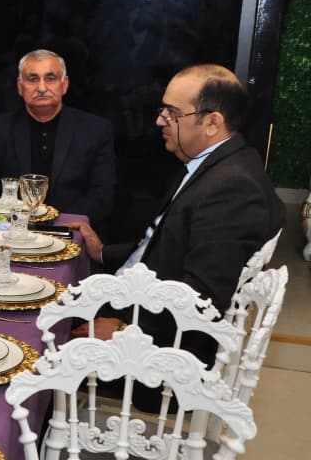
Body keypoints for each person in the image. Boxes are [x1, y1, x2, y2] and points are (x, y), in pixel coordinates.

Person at [67, 65, 285, 393]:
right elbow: (161, 244)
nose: (160, 121)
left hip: (156, 352)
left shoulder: (234, 188)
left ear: (212, 122)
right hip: (140, 302)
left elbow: (202, 298)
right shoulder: (216, 165)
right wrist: (101, 252)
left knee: (23, 332)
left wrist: (125, 330)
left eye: (172, 113)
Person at [0, 49, 115, 227]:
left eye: (50, 78)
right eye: (33, 79)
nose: (41, 88)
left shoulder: (94, 130)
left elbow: (101, 196)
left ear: (64, 84)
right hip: (10, 230)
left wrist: (58, 223)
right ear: (20, 87)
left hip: (71, 230)